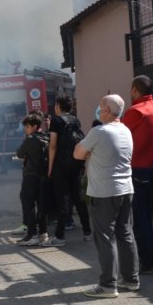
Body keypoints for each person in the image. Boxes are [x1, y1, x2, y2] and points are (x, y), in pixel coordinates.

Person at [74, 94, 138, 298]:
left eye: (101, 106)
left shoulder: (99, 131)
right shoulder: (126, 130)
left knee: (105, 237)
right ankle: (131, 279)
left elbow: (77, 153)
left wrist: (89, 153)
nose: (98, 109)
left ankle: (108, 285)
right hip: (126, 189)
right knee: (125, 233)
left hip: (104, 192)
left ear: (107, 111)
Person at [122, 76, 153, 273]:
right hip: (149, 167)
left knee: (139, 218)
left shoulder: (135, 111)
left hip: (135, 168)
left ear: (134, 90)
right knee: (144, 215)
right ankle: (151, 257)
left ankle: (149, 260)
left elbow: (120, 134)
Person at [46, 96, 91, 246]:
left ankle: (59, 237)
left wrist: (50, 167)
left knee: (62, 199)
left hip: (61, 164)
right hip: (75, 163)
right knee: (78, 197)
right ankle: (87, 232)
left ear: (58, 106)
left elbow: (52, 146)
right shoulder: (75, 120)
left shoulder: (56, 120)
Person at [15, 113, 51, 246]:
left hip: (30, 176)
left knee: (28, 204)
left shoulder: (30, 139)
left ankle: (32, 234)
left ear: (34, 126)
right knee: (41, 205)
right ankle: (43, 233)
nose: (25, 129)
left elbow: (19, 153)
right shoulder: (46, 137)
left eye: (27, 126)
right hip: (43, 175)